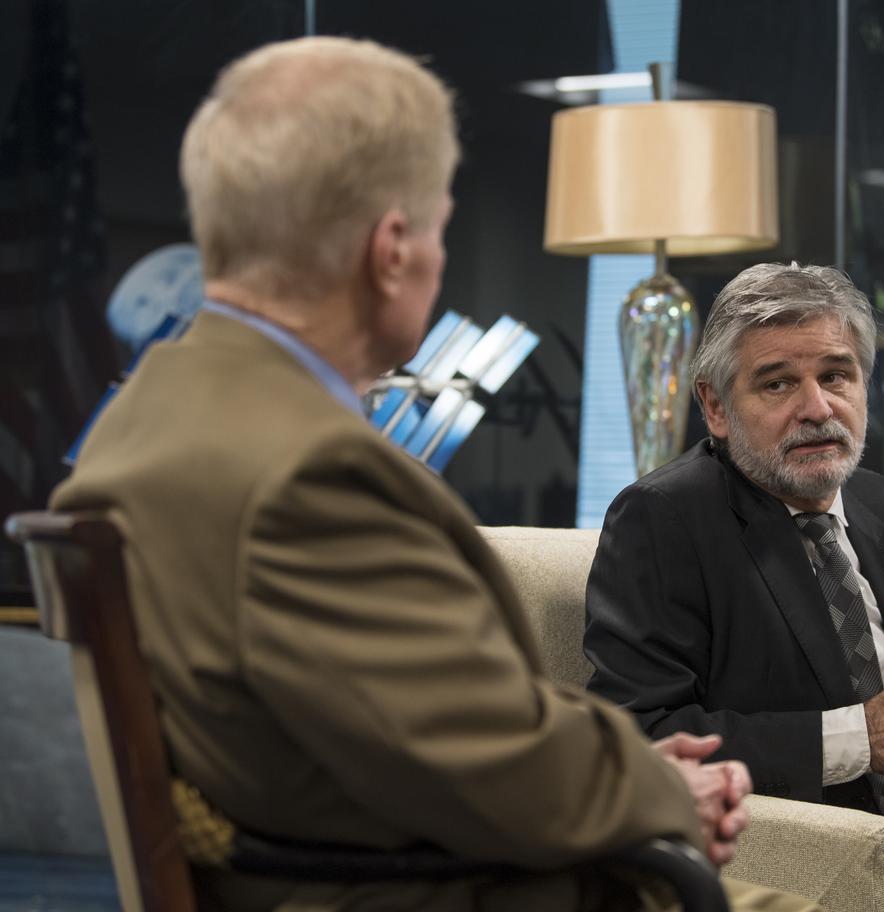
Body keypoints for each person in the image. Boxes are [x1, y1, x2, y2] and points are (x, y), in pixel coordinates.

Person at [52, 38, 815, 912]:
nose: (440, 258)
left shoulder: (142, 421)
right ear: (391, 251)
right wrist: (660, 795)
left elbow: (424, 722)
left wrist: (627, 767)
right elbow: (499, 767)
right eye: (441, 229)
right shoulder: (310, 475)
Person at [584, 262, 884, 887]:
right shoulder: (663, 520)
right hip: (819, 868)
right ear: (715, 406)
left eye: (836, 375)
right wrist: (861, 737)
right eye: (778, 384)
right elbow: (638, 740)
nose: (817, 408)